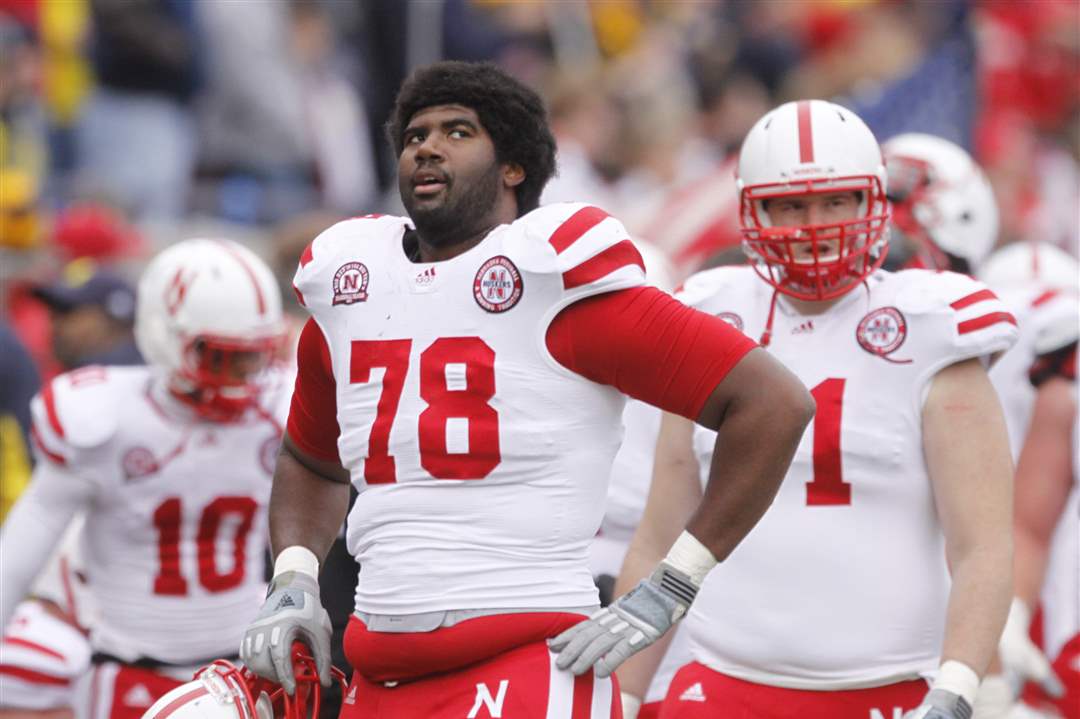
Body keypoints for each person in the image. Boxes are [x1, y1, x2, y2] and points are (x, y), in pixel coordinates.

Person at [235, 60, 814, 718]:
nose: (427, 145)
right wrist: (295, 575)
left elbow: (772, 403)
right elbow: (311, 455)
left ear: (513, 166)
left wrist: (674, 582)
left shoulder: (555, 281)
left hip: (526, 663)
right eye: (415, 134)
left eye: (458, 131)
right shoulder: (353, 287)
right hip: (382, 672)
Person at [612, 100, 1018, 719]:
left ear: (872, 202)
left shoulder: (934, 326)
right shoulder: (710, 315)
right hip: (721, 685)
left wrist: (958, 689)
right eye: (791, 205)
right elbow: (660, 534)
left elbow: (982, 546)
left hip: (886, 691)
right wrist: (624, 692)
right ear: (753, 210)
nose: (815, 227)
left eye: (836, 201)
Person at [0, 238, 291, 716]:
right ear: (168, 338)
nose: (244, 376)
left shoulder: (280, 405)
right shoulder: (104, 416)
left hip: (240, 668)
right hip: (127, 662)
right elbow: (24, 545)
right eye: (222, 356)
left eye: (253, 356)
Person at [32, 262, 143, 370]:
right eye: (53, 315)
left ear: (113, 318)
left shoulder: (143, 379)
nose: (55, 325)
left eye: (67, 311)